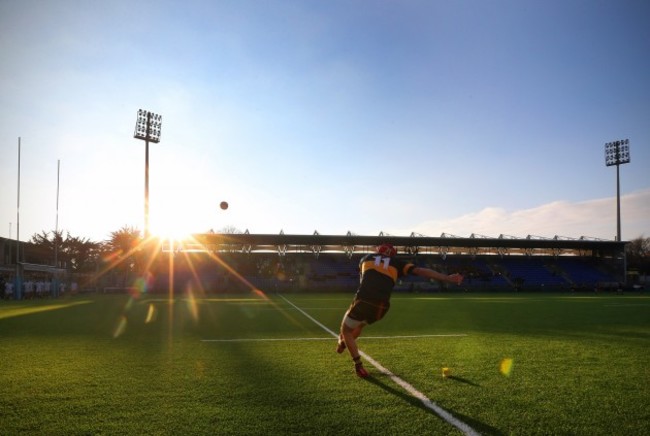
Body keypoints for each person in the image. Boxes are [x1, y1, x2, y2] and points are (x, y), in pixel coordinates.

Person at [337, 243, 464, 378]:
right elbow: (421, 271)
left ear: (379, 250)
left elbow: (363, 278)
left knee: (346, 330)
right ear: (392, 254)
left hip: (364, 300)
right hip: (382, 307)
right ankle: (344, 343)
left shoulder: (366, 257)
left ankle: (357, 364)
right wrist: (447, 278)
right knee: (360, 323)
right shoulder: (397, 262)